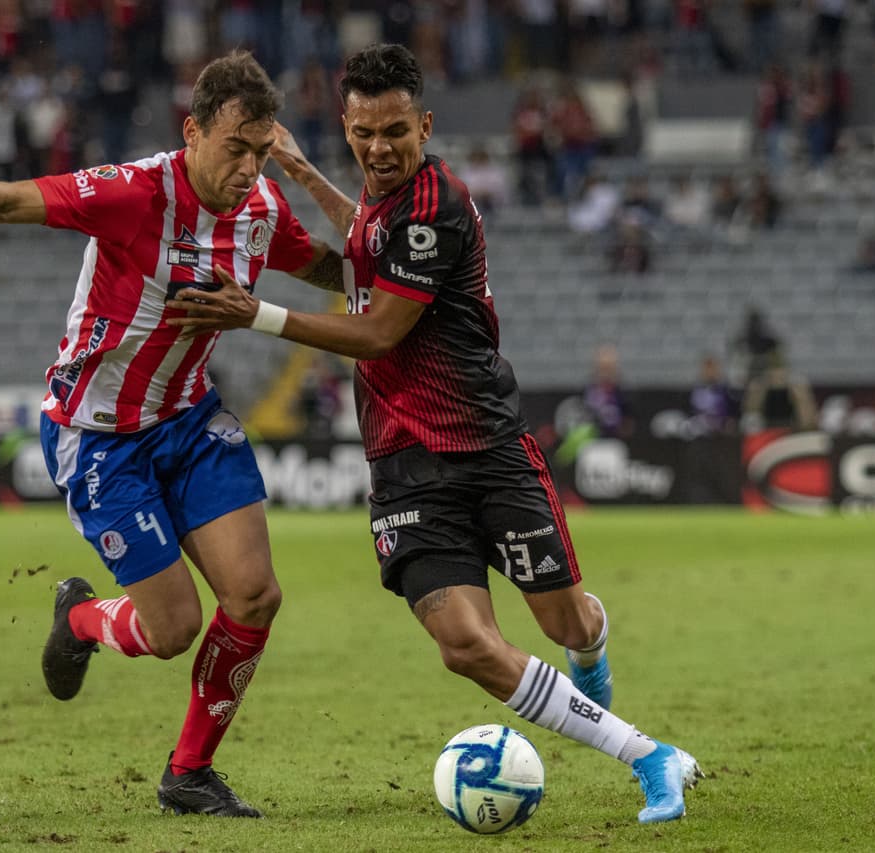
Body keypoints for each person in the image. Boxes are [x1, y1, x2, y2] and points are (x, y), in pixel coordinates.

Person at [0, 51, 343, 818]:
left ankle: (189, 773)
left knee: (254, 595)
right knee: (175, 627)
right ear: (192, 131)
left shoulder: (261, 209)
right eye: (234, 149)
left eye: (260, 151)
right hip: (100, 437)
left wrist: (363, 252)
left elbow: (325, 264)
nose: (249, 168)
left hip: (188, 419)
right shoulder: (134, 192)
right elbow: (4, 202)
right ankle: (81, 618)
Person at [166, 43, 702, 824]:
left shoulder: (437, 202)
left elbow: (381, 331)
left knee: (565, 621)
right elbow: (360, 247)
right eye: (361, 133)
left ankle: (593, 643)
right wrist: (302, 171)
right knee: (466, 644)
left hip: (487, 451)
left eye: (394, 132)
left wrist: (260, 314)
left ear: (424, 124)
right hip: (406, 471)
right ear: (345, 124)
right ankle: (650, 756)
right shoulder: (384, 204)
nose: (378, 149)